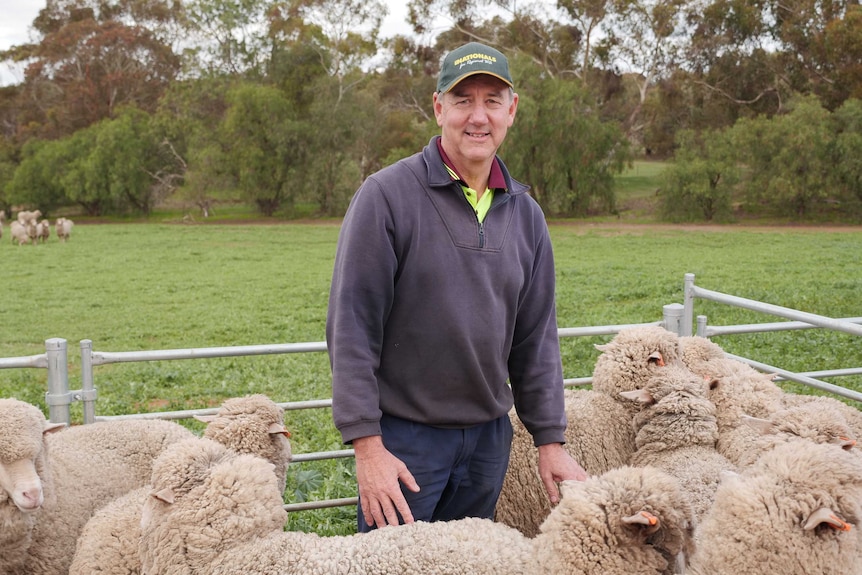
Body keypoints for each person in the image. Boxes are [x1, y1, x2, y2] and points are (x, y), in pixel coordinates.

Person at [325, 41, 587, 532]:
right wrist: (367, 446)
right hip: (405, 442)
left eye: (492, 100)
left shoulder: (526, 215)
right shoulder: (386, 197)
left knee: (469, 563)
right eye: (463, 99)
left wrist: (549, 441)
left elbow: (535, 339)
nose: (478, 116)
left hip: (489, 441)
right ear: (438, 106)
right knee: (392, 567)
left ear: (512, 110)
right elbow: (352, 327)